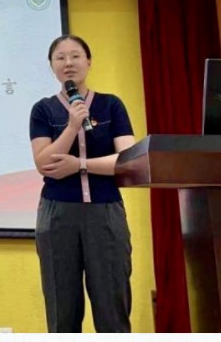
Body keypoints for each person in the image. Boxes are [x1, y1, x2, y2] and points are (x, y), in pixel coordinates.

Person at [29, 35, 136, 333]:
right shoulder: (43, 109)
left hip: (105, 211)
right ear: (51, 66)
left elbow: (127, 160)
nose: (68, 63)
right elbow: (45, 164)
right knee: (62, 309)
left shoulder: (111, 105)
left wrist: (80, 164)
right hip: (58, 214)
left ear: (88, 62)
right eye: (60, 57)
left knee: (112, 306)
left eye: (76, 56)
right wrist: (72, 126)